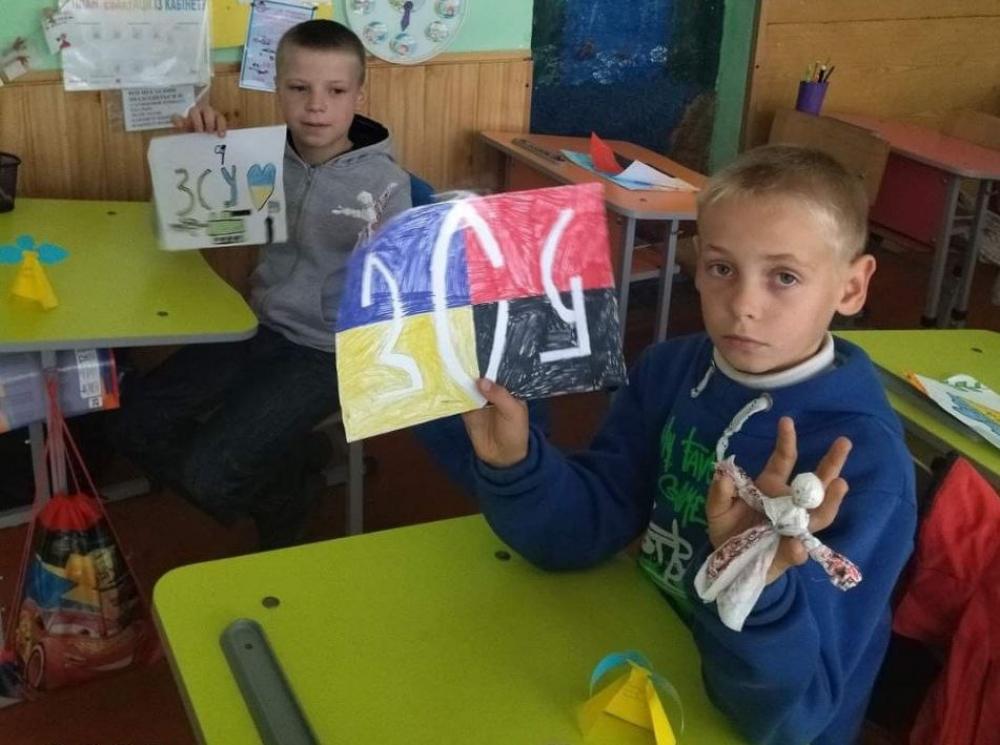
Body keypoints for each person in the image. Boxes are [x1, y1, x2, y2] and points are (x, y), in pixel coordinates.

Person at [460, 145, 917, 744]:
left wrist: (750, 576)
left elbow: (794, 716)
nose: (743, 306)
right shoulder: (669, 370)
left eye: (784, 277)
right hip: (653, 661)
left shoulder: (863, 463)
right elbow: (585, 527)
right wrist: (516, 465)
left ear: (852, 287)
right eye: (722, 268)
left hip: (753, 715)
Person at [109, 20, 411, 549]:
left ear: (359, 96)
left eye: (336, 91)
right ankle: (288, 469)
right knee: (133, 421)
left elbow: (402, 288)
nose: (316, 106)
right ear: (278, 89)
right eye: (299, 88)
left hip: (328, 350)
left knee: (209, 473)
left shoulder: (385, 184)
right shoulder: (259, 158)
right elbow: (183, 224)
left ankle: (283, 489)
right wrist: (194, 154)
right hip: (258, 326)